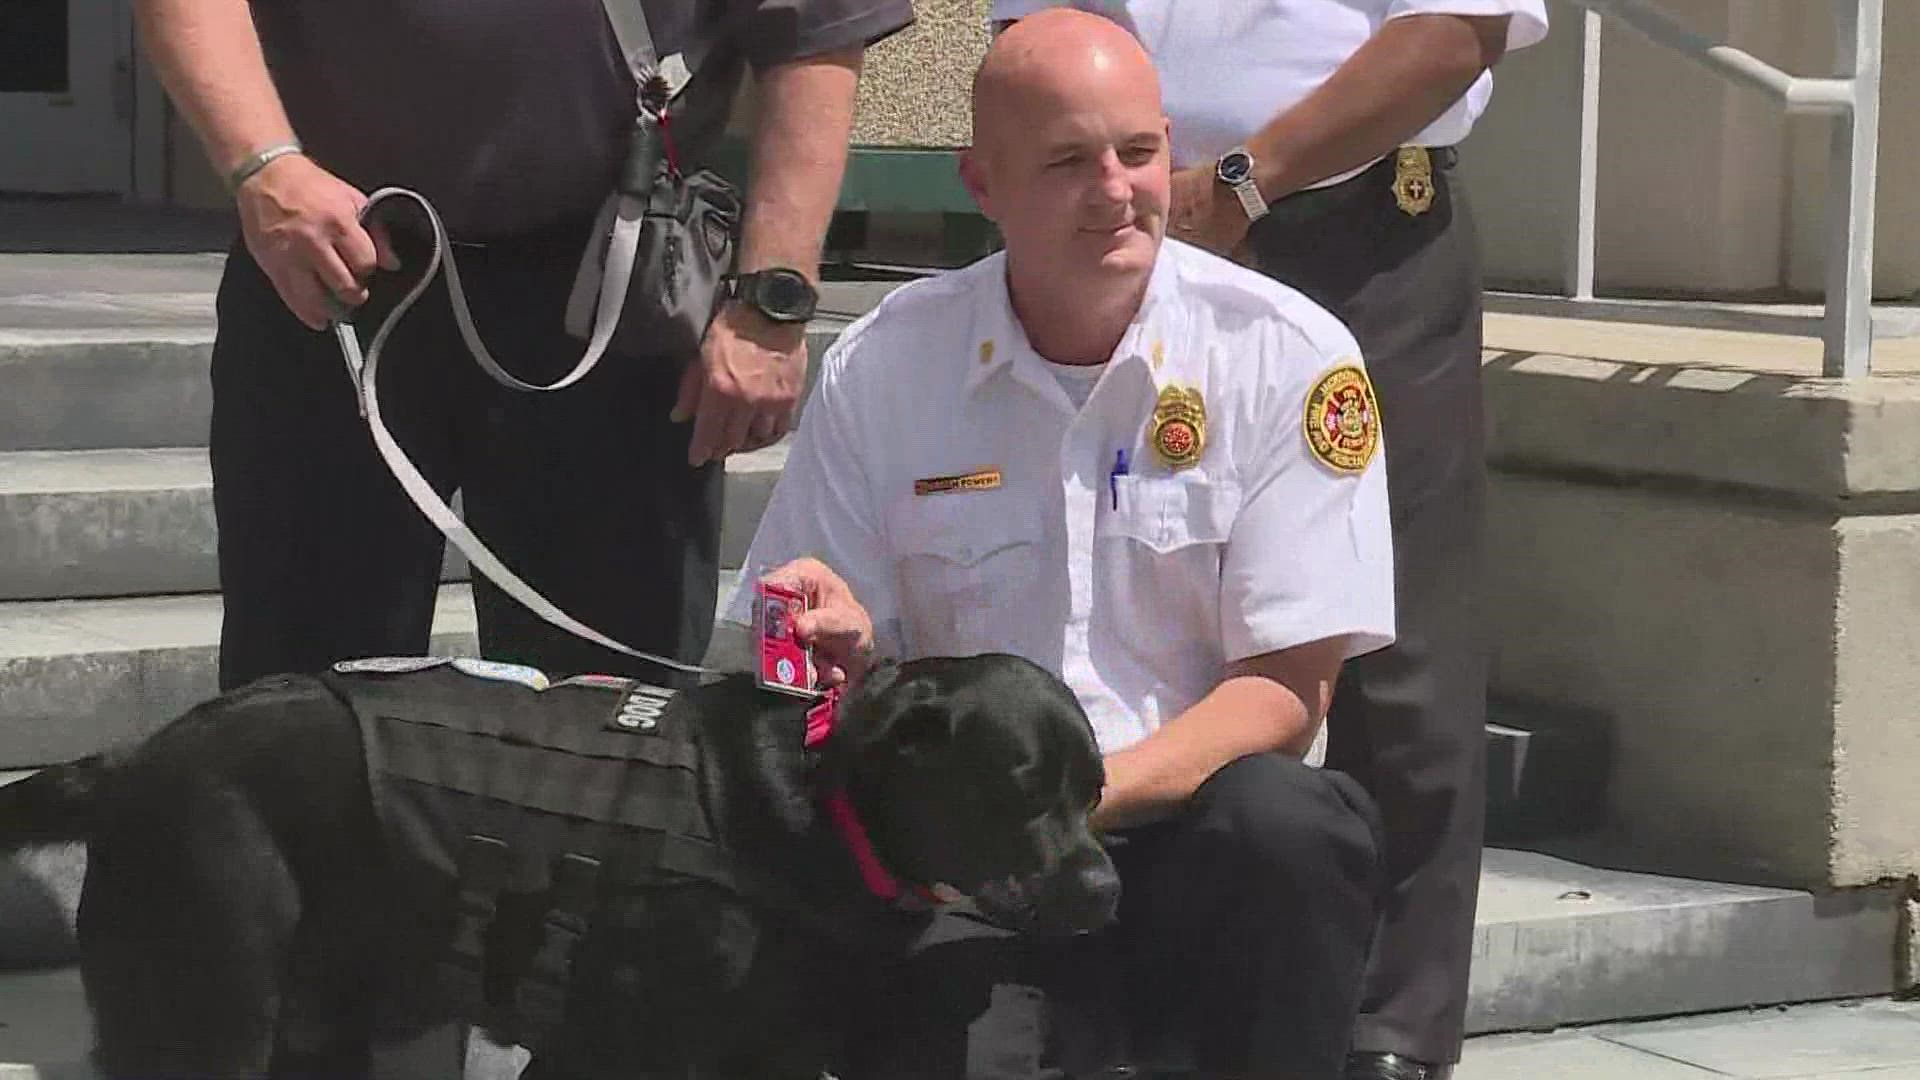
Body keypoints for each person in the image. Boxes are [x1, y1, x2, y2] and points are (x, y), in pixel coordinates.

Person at [723, 10, 1396, 1076]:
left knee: (1293, 827)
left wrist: (1068, 803)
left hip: (1181, 828)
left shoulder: (1288, 357)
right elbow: (805, 666)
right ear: (981, 184)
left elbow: (1286, 690)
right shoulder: (888, 368)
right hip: (961, 857)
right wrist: (840, 656)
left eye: (1139, 152)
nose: (1119, 190)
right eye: (1070, 161)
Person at [990, 2, 1549, 1075]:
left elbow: (1451, 34)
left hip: (1350, 231)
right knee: (1108, 595)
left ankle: (1388, 1030)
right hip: (1121, 217)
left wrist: (1246, 180)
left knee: (1389, 649)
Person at [135, 0, 914, 690]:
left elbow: (812, 33)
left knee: (613, 708)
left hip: (613, 287)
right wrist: (261, 167)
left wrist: (772, 302)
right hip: (338, 262)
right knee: (299, 697)